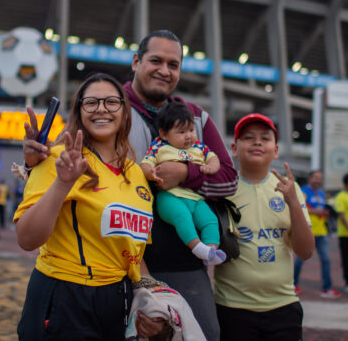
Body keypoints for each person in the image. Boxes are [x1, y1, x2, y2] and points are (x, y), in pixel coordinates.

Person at [22, 30, 237, 341]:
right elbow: (60, 162)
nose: (165, 70)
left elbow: (229, 178)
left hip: (180, 259)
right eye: (156, 60)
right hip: (109, 268)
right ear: (136, 62)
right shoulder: (109, 110)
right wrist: (32, 163)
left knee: (201, 333)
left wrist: (185, 172)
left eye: (173, 64)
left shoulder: (194, 118)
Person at [14, 72, 164, 339]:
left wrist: (153, 301)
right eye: (91, 102)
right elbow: (26, 239)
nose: (102, 109)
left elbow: (133, 254)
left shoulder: (136, 173)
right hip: (64, 297)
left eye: (111, 102)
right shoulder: (57, 159)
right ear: (79, 111)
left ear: (125, 112)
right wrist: (62, 183)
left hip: (118, 300)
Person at [214, 113, 314, 341]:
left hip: (283, 306)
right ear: (234, 148)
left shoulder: (291, 189)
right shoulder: (222, 190)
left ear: (276, 150)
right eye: (249, 137)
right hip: (232, 307)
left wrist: (293, 203)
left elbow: (306, 252)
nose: (257, 142)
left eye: (265, 138)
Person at [140, 100, 226, 265]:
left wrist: (211, 167)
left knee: (210, 220)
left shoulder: (199, 147)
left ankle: (211, 249)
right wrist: (151, 173)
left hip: (195, 198)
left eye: (191, 130)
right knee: (182, 217)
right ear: (164, 134)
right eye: (181, 132)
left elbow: (214, 158)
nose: (189, 136)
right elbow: (145, 164)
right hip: (170, 197)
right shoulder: (158, 146)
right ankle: (196, 246)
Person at [293, 170, 342, 298]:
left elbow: (322, 209)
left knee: (326, 260)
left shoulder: (321, 193)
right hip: (308, 231)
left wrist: (324, 213)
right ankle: (293, 285)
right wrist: (315, 211)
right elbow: (298, 207)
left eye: (320, 178)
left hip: (322, 232)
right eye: (316, 177)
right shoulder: (303, 191)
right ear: (310, 178)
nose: (318, 180)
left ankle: (327, 289)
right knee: (299, 260)